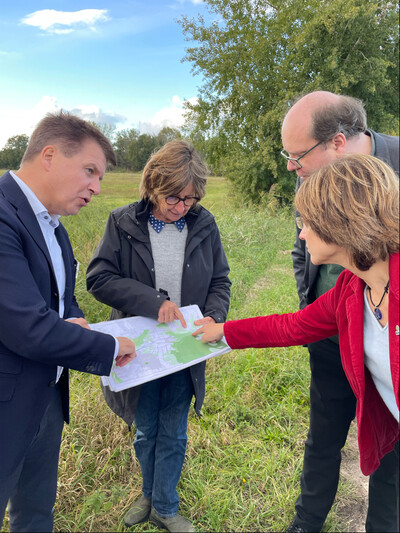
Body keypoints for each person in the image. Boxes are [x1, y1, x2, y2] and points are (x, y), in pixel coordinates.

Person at [193, 154, 400, 533]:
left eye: (306, 223)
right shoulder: (351, 290)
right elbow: (293, 326)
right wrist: (223, 332)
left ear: (340, 223)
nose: (301, 234)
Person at [0, 111, 136, 532]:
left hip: (46, 399)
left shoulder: (54, 225)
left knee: (37, 512)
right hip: (5, 405)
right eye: (90, 171)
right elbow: (28, 326)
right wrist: (110, 348)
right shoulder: (3, 217)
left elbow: (63, 300)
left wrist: (76, 319)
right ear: (49, 156)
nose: (96, 188)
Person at [86, 139, 231, 532]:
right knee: (146, 426)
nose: (181, 207)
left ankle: (166, 506)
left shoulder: (205, 223)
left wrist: (214, 316)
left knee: (175, 430)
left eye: (190, 199)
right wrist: (153, 302)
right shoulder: (122, 222)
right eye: (173, 197)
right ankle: (149, 494)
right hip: (141, 348)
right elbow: (98, 278)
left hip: (186, 348)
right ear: (152, 185)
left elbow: (220, 280)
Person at [279, 91, 399, 533]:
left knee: (392, 452)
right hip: (331, 336)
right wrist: (310, 308)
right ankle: (306, 522)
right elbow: (300, 248)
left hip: (392, 341)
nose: (293, 167)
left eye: (297, 155)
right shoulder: (312, 171)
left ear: (337, 142)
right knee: (323, 437)